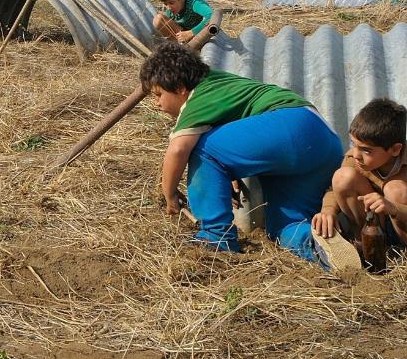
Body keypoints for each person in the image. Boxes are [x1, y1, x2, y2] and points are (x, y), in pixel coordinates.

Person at [143, 42, 343, 264]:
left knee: (201, 147)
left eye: (158, 94)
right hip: (325, 141)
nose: (156, 104)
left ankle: (216, 237)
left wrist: (169, 194)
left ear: (180, 88)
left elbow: (179, 149)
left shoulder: (197, 98)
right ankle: (324, 248)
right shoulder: (220, 82)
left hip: (291, 125)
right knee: (283, 228)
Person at [311, 98, 407, 263]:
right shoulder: (354, 159)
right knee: (343, 177)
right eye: (353, 144)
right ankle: (365, 247)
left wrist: (393, 208)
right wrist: (328, 210)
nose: (356, 154)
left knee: (395, 189)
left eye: (366, 150)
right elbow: (334, 191)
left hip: (401, 228)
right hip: (372, 228)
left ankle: (401, 253)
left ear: (395, 149)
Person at [153, 0, 218, 50]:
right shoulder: (170, 12)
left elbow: (212, 15)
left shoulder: (193, 3)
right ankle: (179, 49)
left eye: (171, 3)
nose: (169, 8)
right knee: (158, 19)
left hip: (200, 37)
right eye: (166, 4)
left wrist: (191, 33)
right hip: (184, 39)